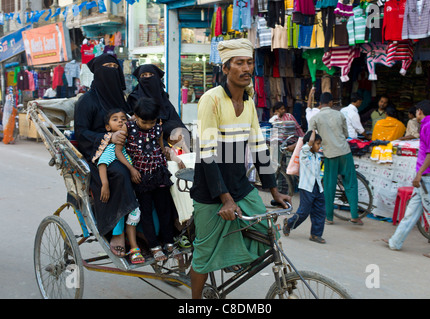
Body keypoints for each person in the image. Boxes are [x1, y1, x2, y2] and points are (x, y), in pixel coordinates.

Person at [189, 38, 291, 299]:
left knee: (268, 233)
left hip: (239, 184)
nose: (246, 68)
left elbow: (258, 146)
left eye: (249, 63)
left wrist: (273, 190)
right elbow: (206, 153)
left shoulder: (248, 100)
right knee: (203, 251)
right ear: (225, 68)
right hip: (211, 189)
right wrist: (225, 199)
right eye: (239, 63)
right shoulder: (210, 100)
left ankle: (232, 258)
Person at [74, 53, 139, 258]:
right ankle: (117, 232)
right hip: (98, 153)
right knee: (120, 173)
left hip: (126, 149)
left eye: (114, 66)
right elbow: (81, 132)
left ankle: (147, 229)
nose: (111, 70)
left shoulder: (122, 100)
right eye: (106, 67)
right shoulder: (87, 101)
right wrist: (108, 137)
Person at [115, 97, 181, 262]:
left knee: (164, 210)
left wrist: (168, 152)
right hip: (141, 176)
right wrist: (131, 169)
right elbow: (118, 151)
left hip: (159, 173)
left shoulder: (157, 127)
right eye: (145, 122)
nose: (148, 126)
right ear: (135, 116)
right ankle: (153, 246)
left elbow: (159, 146)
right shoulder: (127, 127)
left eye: (152, 122)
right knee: (146, 213)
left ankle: (169, 242)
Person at [383, 100, 430, 260]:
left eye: (417, 111)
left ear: (420, 111)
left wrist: (419, 173)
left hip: (427, 178)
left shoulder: (429, 127)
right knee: (412, 212)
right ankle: (395, 241)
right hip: (426, 179)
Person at [95, 109, 144, 264]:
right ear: (108, 128)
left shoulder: (130, 143)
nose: (121, 121)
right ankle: (121, 236)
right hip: (121, 187)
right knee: (124, 210)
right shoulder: (112, 147)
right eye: (115, 119)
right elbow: (102, 163)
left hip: (134, 188)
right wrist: (105, 185)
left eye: (123, 119)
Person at [309, 92, 363, 226]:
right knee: (350, 183)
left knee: (329, 185)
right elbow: (346, 134)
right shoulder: (339, 114)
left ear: (320, 103)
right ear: (331, 103)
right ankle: (355, 215)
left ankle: (329, 217)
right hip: (344, 152)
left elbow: (310, 136)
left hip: (329, 154)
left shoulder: (315, 118)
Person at [128, 64, 189, 152]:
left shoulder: (163, 97)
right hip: (145, 136)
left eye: (151, 75)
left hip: (166, 134)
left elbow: (173, 118)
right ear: (139, 79)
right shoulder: (134, 98)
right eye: (144, 75)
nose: (148, 78)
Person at [283, 130, 326, 244]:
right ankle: (289, 223)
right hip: (307, 187)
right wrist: (313, 132)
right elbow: (309, 143)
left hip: (317, 187)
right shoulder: (304, 153)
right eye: (317, 143)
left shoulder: (317, 156)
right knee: (304, 212)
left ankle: (316, 234)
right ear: (310, 144)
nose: (319, 146)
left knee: (320, 211)